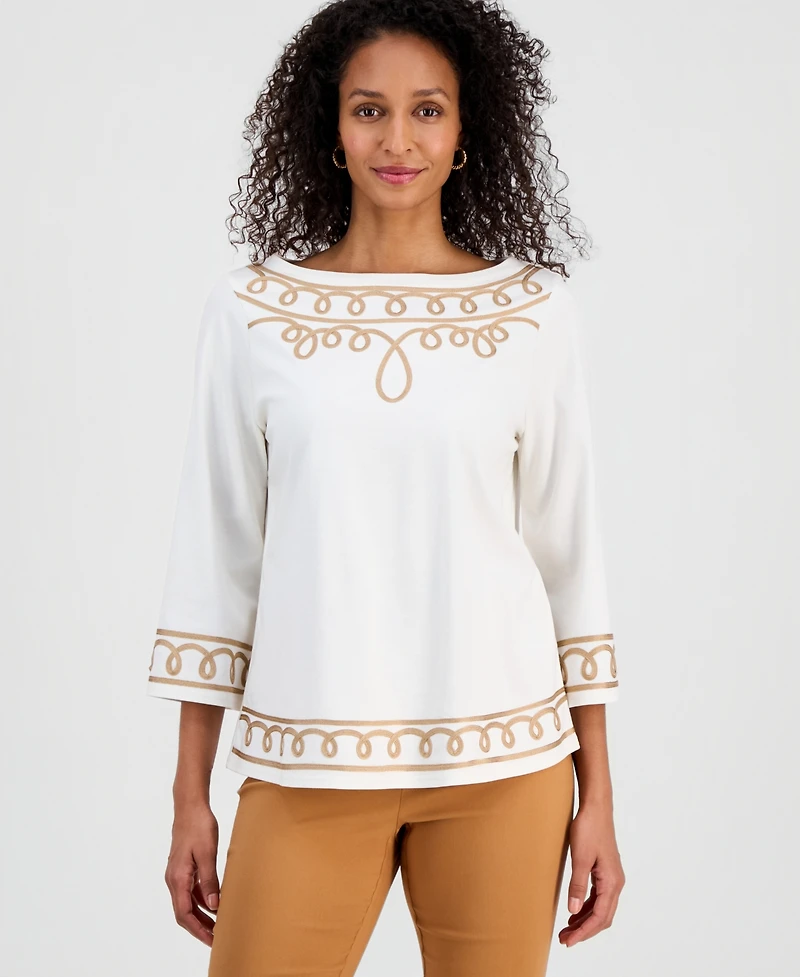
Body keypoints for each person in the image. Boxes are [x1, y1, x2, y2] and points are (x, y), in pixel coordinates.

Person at [145, 1, 626, 973]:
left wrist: (599, 796)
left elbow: (566, 558)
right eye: (369, 109)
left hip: (507, 767)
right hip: (303, 763)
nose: (397, 139)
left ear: (465, 128)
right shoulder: (252, 312)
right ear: (330, 128)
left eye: (426, 110)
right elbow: (219, 555)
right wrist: (189, 793)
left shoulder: (532, 312)